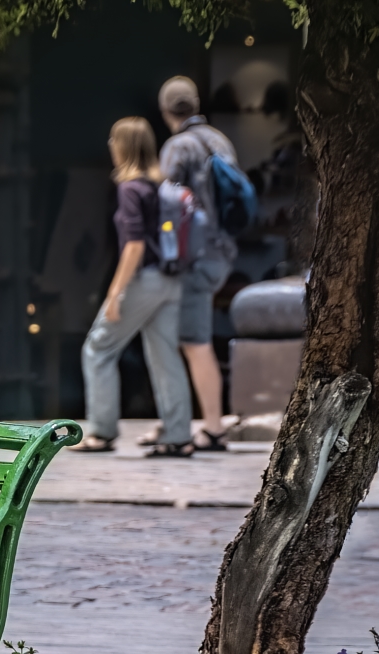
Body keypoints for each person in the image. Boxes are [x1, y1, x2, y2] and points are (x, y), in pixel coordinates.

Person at [73, 117, 194, 457]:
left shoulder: (129, 189)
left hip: (145, 280)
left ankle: (101, 431)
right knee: (164, 353)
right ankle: (178, 434)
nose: (110, 145)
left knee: (98, 348)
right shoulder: (159, 185)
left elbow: (135, 246)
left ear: (123, 147)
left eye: (114, 140)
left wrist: (114, 294)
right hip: (171, 280)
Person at [159, 77, 238, 452]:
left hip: (194, 258)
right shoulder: (219, 140)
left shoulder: (178, 146)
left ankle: (213, 427)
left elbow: (168, 204)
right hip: (222, 252)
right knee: (190, 338)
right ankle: (190, 421)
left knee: (194, 341)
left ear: (165, 111)